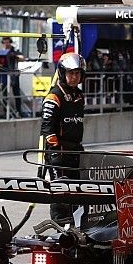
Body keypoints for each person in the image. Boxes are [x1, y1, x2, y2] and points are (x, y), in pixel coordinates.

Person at [41, 52, 86, 223]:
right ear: (62, 73)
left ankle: (76, 225)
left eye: (77, 73)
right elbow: (47, 128)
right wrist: (55, 151)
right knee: (60, 191)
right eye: (70, 73)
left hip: (76, 150)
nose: (74, 77)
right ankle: (60, 226)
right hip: (59, 152)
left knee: (77, 191)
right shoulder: (54, 96)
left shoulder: (79, 96)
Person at [0, 36, 26, 116]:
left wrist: (15, 56)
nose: (6, 44)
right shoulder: (1, 51)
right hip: (4, 74)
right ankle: (6, 111)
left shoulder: (13, 50)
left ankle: (18, 110)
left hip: (14, 75)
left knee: (16, 93)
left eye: (8, 42)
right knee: (4, 94)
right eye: (5, 42)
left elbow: (22, 58)